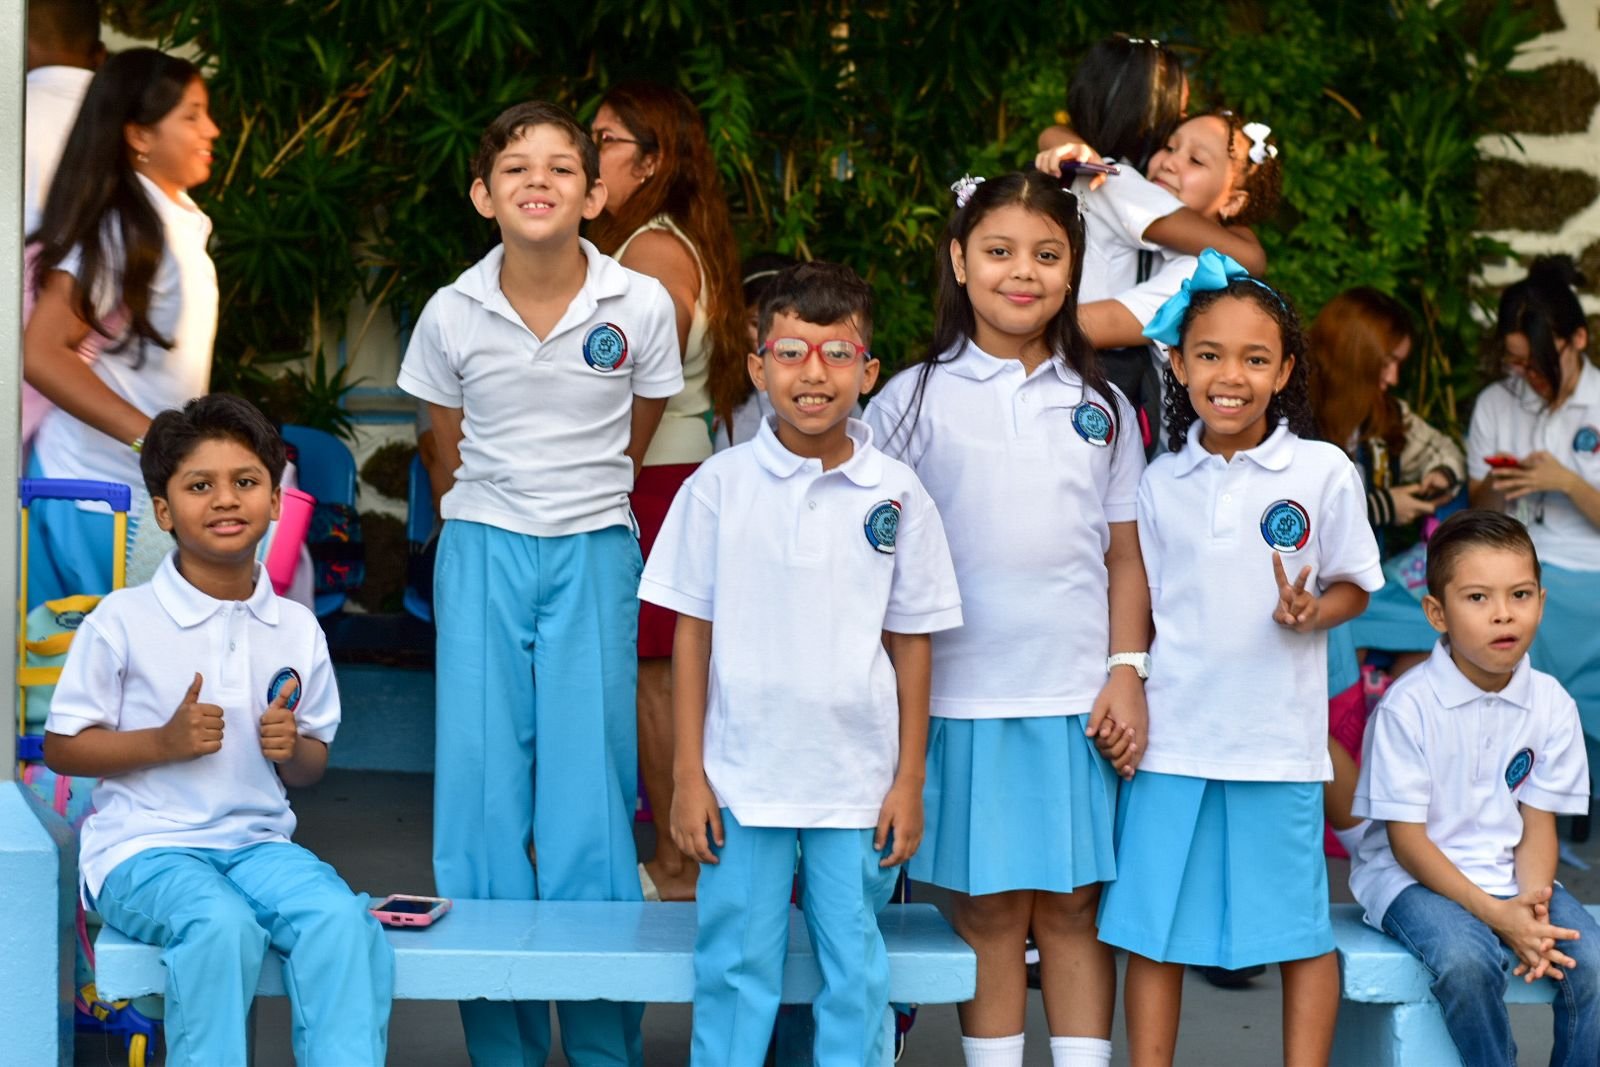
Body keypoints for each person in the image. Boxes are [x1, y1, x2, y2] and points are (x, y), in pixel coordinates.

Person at [398, 100, 683, 1065]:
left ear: (595, 195)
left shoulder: (639, 303)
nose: (540, 181)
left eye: (563, 166)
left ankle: (603, 1044)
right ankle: (504, 1048)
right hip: (483, 546)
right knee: (479, 794)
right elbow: (446, 445)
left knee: (590, 797)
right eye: (516, 167)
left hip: (594, 546)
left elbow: (638, 431)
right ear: (484, 195)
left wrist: (574, 498)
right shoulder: (451, 309)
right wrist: (496, 509)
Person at [641, 261, 962, 1065]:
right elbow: (690, 635)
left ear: (868, 371)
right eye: (790, 352)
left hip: (856, 784)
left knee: (853, 966)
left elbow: (912, 641)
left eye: (836, 354)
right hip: (740, 780)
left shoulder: (896, 494)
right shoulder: (718, 486)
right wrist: (688, 774)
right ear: (758, 368)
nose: (813, 374)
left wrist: (909, 779)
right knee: (733, 964)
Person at [866, 170, 1148, 1067]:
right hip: (960, 698)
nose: (1022, 272)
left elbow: (1125, 555)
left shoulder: (1102, 406)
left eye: (1046, 254)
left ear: (1073, 270)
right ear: (959, 259)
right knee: (985, 909)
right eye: (999, 251)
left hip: (1076, 700)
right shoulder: (908, 401)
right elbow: (870, 561)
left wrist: (1127, 671)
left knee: (1073, 906)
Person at [41, 394, 393, 1066]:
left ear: (277, 501)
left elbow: (311, 765)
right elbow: (64, 747)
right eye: (200, 485)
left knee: (342, 922)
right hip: (144, 851)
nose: (226, 499)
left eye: (246, 481)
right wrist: (162, 742)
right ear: (164, 510)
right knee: (220, 924)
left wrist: (292, 750)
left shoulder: (296, 627)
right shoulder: (122, 619)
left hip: (258, 845)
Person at [1096, 250, 1383, 1066]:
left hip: (1276, 750)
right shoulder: (1159, 481)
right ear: (1179, 365)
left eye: (1256, 359)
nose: (1232, 376)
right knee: (1153, 934)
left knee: (1297, 934)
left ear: (1284, 370)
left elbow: (1355, 587)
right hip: (1171, 749)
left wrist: (1313, 610)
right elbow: (1141, 605)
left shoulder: (1321, 470)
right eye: (1210, 355)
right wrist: (1128, 678)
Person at [1349, 509, 1598, 1067]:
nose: (1503, 613)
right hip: (1413, 878)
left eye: (1520, 595)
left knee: (1594, 964)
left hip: (1510, 873)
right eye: (1478, 598)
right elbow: (1407, 843)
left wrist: (1531, 911)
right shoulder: (1408, 707)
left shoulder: (1552, 705)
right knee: (1466, 962)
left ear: (1541, 600)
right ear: (1437, 612)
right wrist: (1496, 914)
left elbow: (1537, 826)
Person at [589, 81, 746, 903]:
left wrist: (604, 479)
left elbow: (635, 391)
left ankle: (678, 863)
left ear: (651, 162)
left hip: (650, 477)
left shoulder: (650, 252)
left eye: (605, 140)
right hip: (663, 474)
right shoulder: (662, 241)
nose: (589, 155)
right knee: (658, 676)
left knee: (657, 678)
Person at [24, 48, 220, 606]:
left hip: (131, 494)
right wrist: (154, 439)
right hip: (94, 499)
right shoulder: (120, 229)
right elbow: (41, 353)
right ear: (139, 135)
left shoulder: (172, 223)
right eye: (192, 115)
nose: (212, 129)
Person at [1308, 287, 1466, 858]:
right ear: (1357, 355)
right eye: (1388, 362)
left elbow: (1445, 450)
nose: (1394, 377)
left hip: (1362, 584)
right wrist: (1384, 506)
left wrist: (1438, 479)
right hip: (1314, 588)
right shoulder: (1297, 409)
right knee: (1330, 679)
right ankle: (1365, 835)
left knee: (1457, 632)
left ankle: (1399, 775)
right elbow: (1302, 512)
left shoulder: (1379, 412)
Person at [1468, 256, 1600, 744]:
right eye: (1516, 362)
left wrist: (1567, 482)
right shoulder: (1496, 402)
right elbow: (1476, 515)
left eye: (1539, 362)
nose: (1527, 376)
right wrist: (1497, 484)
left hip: (1585, 569)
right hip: (1507, 564)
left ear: (1578, 339)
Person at [22, 0, 103, 463]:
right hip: (108, 413)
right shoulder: (142, 128)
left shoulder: (14, 117)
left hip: (25, 380)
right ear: (100, 54)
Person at [712, 252, 798, 451]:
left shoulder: (830, 392)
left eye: (781, 324)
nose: (768, 338)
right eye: (756, 324)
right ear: (738, 324)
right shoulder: (718, 393)